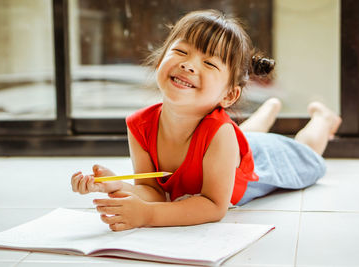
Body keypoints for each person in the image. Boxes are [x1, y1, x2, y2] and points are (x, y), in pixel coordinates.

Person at [71, 10, 342, 231]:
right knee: (240, 136)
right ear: (160, 61)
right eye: (180, 52)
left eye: (209, 63)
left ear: (229, 95)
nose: (189, 65)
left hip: (253, 162)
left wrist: (148, 216)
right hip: (227, 146)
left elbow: (213, 205)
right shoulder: (139, 124)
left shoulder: (221, 134)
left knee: (304, 152)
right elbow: (152, 190)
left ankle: (322, 119)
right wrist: (119, 185)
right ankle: (267, 112)